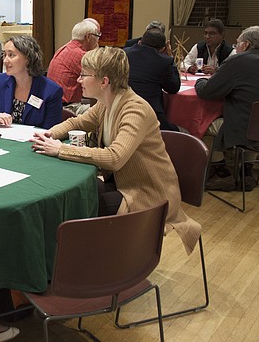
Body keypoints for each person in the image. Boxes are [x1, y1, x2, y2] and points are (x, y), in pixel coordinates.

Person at [30, 46, 201, 256]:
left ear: (104, 81)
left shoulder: (134, 109)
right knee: (78, 194)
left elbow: (115, 158)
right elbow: (78, 122)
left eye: (84, 74)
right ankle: (75, 261)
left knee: (85, 203)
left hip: (149, 194)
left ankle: (89, 265)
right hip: (124, 183)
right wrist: (50, 135)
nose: (79, 80)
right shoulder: (107, 103)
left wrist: (60, 150)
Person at [196, 26, 259, 190]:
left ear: (245, 45)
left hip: (245, 130)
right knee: (256, 119)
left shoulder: (237, 61)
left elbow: (207, 91)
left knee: (204, 125)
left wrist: (200, 81)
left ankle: (221, 172)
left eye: (237, 43)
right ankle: (245, 172)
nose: (235, 46)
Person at [0, 36, 63, 129]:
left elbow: (52, 130)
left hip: (34, 141)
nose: (5, 60)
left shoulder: (51, 91)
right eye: (4, 55)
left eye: (11, 55)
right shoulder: (1, 81)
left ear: (28, 58)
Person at [125, 30, 181, 131]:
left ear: (140, 41)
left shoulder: (124, 53)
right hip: (151, 115)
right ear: (162, 49)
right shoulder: (164, 61)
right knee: (183, 132)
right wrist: (170, 57)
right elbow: (173, 88)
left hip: (123, 110)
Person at [46, 18, 101, 116]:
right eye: (97, 36)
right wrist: (96, 53)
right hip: (68, 108)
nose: (98, 41)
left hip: (55, 105)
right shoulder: (81, 55)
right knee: (104, 111)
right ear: (88, 37)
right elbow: (99, 80)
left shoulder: (65, 48)